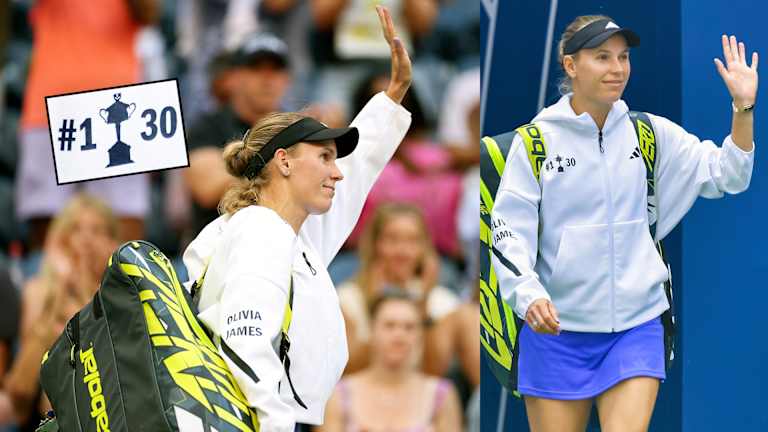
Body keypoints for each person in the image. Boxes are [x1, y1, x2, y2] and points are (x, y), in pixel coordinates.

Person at [491, 16, 757, 432]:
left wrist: (743, 108)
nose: (617, 68)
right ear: (570, 65)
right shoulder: (534, 143)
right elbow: (508, 234)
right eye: (602, 57)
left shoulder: (649, 132)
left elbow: (729, 174)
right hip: (556, 331)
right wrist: (528, 295)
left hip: (637, 325)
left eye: (623, 57)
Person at [181, 6, 412, 431]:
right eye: (324, 157)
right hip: (255, 421)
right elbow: (244, 343)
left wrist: (392, 95)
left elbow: (357, 171)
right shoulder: (260, 230)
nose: (337, 170)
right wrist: (275, 424)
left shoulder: (290, 234)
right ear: (284, 162)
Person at [4, 194, 119, 430]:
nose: (87, 240)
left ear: (114, 244)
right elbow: (19, 395)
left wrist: (86, 297)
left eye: (97, 231)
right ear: (61, 239)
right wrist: (55, 304)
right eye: (76, 229)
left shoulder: (122, 299)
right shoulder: (37, 293)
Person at [337, 203, 459, 373]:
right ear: (375, 244)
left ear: (424, 247)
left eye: (413, 241)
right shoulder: (347, 298)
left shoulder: (443, 303)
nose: (402, 251)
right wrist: (373, 308)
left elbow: (434, 371)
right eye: (392, 239)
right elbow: (350, 370)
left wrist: (423, 306)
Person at [316, 291, 462, 432]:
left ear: (420, 335)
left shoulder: (441, 395)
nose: (399, 335)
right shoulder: (338, 395)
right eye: (389, 325)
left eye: (409, 327)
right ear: (372, 330)